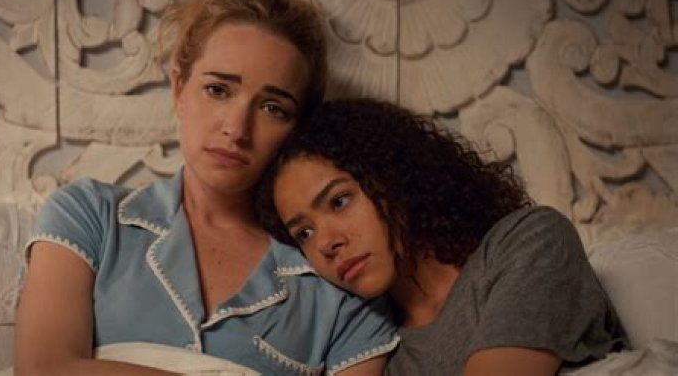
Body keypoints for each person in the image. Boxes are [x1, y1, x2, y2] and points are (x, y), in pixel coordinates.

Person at [14, 0, 397, 374]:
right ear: (179, 88)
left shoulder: (342, 285)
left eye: (273, 108)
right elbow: (44, 369)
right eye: (218, 90)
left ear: (298, 126)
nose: (237, 128)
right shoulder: (90, 215)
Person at [256, 98, 627, 375]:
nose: (325, 243)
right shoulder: (372, 349)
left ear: (393, 176)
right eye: (304, 232)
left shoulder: (531, 241)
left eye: (339, 201)